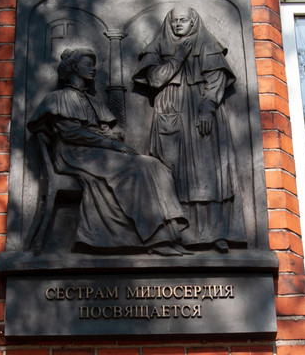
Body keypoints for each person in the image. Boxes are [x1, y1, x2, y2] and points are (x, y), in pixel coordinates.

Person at [28, 48, 190, 255]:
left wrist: (113, 135)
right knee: (132, 170)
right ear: (73, 67)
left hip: (97, 150)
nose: (93, 69)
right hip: (74, 153)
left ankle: (170, 233)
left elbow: (103, 127)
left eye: (93, 65)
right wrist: (112, 144)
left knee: (153, 164)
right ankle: (153, 238)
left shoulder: (92, 101)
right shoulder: (57, 98)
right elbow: (72, 134)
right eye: (87, 64)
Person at [134, 7, 247, 252]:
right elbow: (154, 80)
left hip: (202, 114)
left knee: (208, 173)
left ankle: (216, 232)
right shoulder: (157, 47)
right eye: (174, 21)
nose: (178, 25)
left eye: (183, 21)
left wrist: (207, 108)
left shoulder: (207, 44)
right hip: (169, 113)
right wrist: (177, 58)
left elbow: (216, 80)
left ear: (194, 22)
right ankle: (175, 233)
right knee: (171, 171)